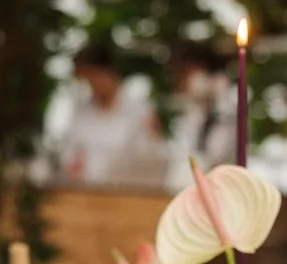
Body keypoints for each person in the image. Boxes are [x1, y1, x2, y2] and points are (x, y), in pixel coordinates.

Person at [54, 43, 165, 187]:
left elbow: (153, 162)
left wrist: (154, 136)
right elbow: (70, 155)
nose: (88, 85)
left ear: (107, 72)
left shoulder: (139, 111)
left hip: (128, 196)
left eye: (91, 77)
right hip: (84, 195)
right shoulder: (81, 111)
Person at [165, 39, 233, 171]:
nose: (180, 82)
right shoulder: (192, 113)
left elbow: (217, 157)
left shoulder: (228, 113)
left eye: (185, 73)